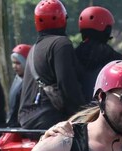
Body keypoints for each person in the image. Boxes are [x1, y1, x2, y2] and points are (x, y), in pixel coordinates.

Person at [17, 0, 85, 130]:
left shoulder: (34, 49)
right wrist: (83, 114)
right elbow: (67, 85)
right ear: (63, 19)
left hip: (26, 119)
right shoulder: (61, 44)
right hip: (47, 117)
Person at [75, 6, 122, 101]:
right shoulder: (115, 58)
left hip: (77, 109)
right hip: (102, 107)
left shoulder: (72, 54)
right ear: (106, 29)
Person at [7, 44, 31, 127]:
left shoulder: (31, 82)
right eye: (13, 63)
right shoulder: (18, 78)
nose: (14, 66)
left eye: (18, 63)